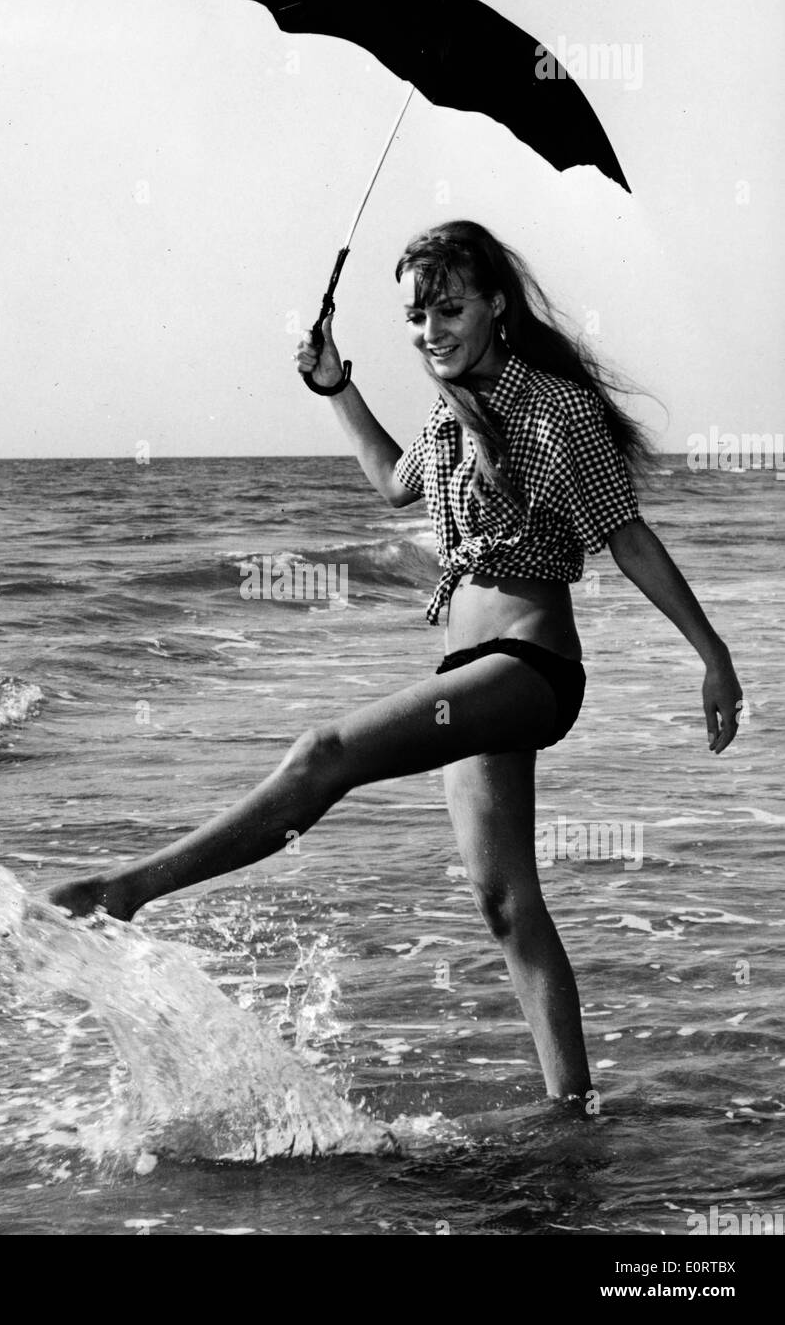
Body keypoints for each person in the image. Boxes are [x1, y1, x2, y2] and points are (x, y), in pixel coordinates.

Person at [48, 220, 742, 1102]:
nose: (430, 331)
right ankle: (574, 1112)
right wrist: (336, 386)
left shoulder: (556, 408)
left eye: (449, 308)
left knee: (323, 754)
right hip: (471, 675)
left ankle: (123, 891)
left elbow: (627, 537)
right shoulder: (450, 408)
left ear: (495, 305)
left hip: (528, 667)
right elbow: (390, 481)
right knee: (505, 906)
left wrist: (711, 658)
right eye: (416, 315)